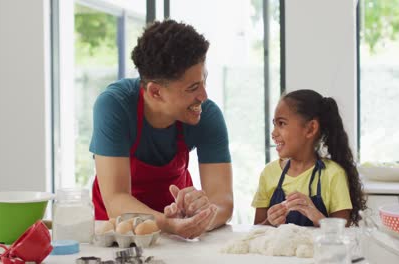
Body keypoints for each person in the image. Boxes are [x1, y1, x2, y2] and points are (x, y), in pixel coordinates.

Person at [89, 20, 233, 239]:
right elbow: (116, 198)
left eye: (204, 81)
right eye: (193, 87)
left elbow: (222, 201)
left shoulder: (207, 114)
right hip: (118, 230)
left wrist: (201, 218)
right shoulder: (115, 106)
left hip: (178, 231)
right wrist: (167, 224)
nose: (203, 96)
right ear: (155, 92)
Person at [252, 89, 366, 227]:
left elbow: (343, 234)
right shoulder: (269, 173)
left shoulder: (333, 175)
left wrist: (315, 215)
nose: (273, 133)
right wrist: (270, 222)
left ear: (311, 129)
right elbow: (257, 230)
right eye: (274, 124)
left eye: (281, 123)